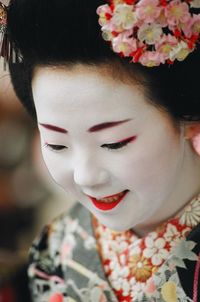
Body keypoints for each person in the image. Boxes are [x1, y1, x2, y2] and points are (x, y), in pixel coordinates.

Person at [3, 0, 200, 301]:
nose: (85, 176)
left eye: (114, 142)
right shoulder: (56, 249)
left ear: (188, 118)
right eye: (56, 144)